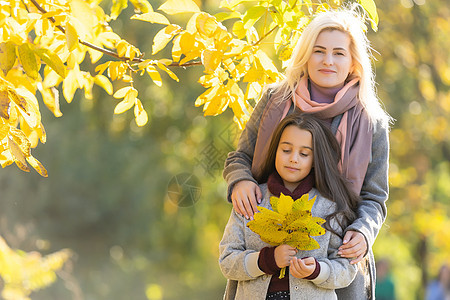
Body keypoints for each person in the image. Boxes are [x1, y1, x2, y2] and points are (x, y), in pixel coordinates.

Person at [223, 6, 391, 299]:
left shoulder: (371, 122)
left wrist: (363, 232)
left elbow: (375, 196)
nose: (328, 61)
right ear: (305, 54)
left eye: (338, 53)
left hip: (335, 257)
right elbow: (240, 158)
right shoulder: (275, 100)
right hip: (263, 250)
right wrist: (240, 180)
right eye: (319, 51)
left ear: (353, 61)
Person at [219, 113, 360, 299]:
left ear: (315, 160)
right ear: (275, 151)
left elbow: (346, 269)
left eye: (304, 154)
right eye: (286, 150)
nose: (294, 158)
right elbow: (227, 260)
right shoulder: (252, 199)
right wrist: (266, 260)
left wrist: (318, 271)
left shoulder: (330, 208)